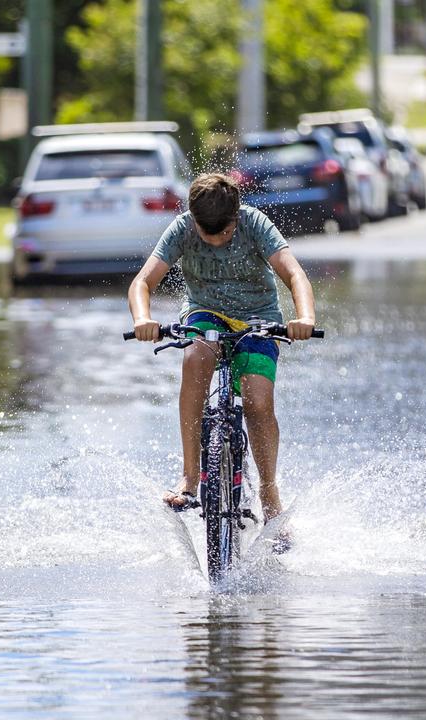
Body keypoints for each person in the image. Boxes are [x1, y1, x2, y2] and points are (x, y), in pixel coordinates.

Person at [128, 173, 317, 528]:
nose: (215, 241)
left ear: (236, 217)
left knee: (258, 401)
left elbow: (294, 275)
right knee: (195, 356)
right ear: (194, 219)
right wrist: (143, 318)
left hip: (257, 318)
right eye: (207, 233)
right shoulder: (182, 228)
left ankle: (269, 491)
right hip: (205, 313)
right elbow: (143, 282)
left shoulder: (255, 224)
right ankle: (189, 476)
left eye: (224, 233)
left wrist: (304, 317)